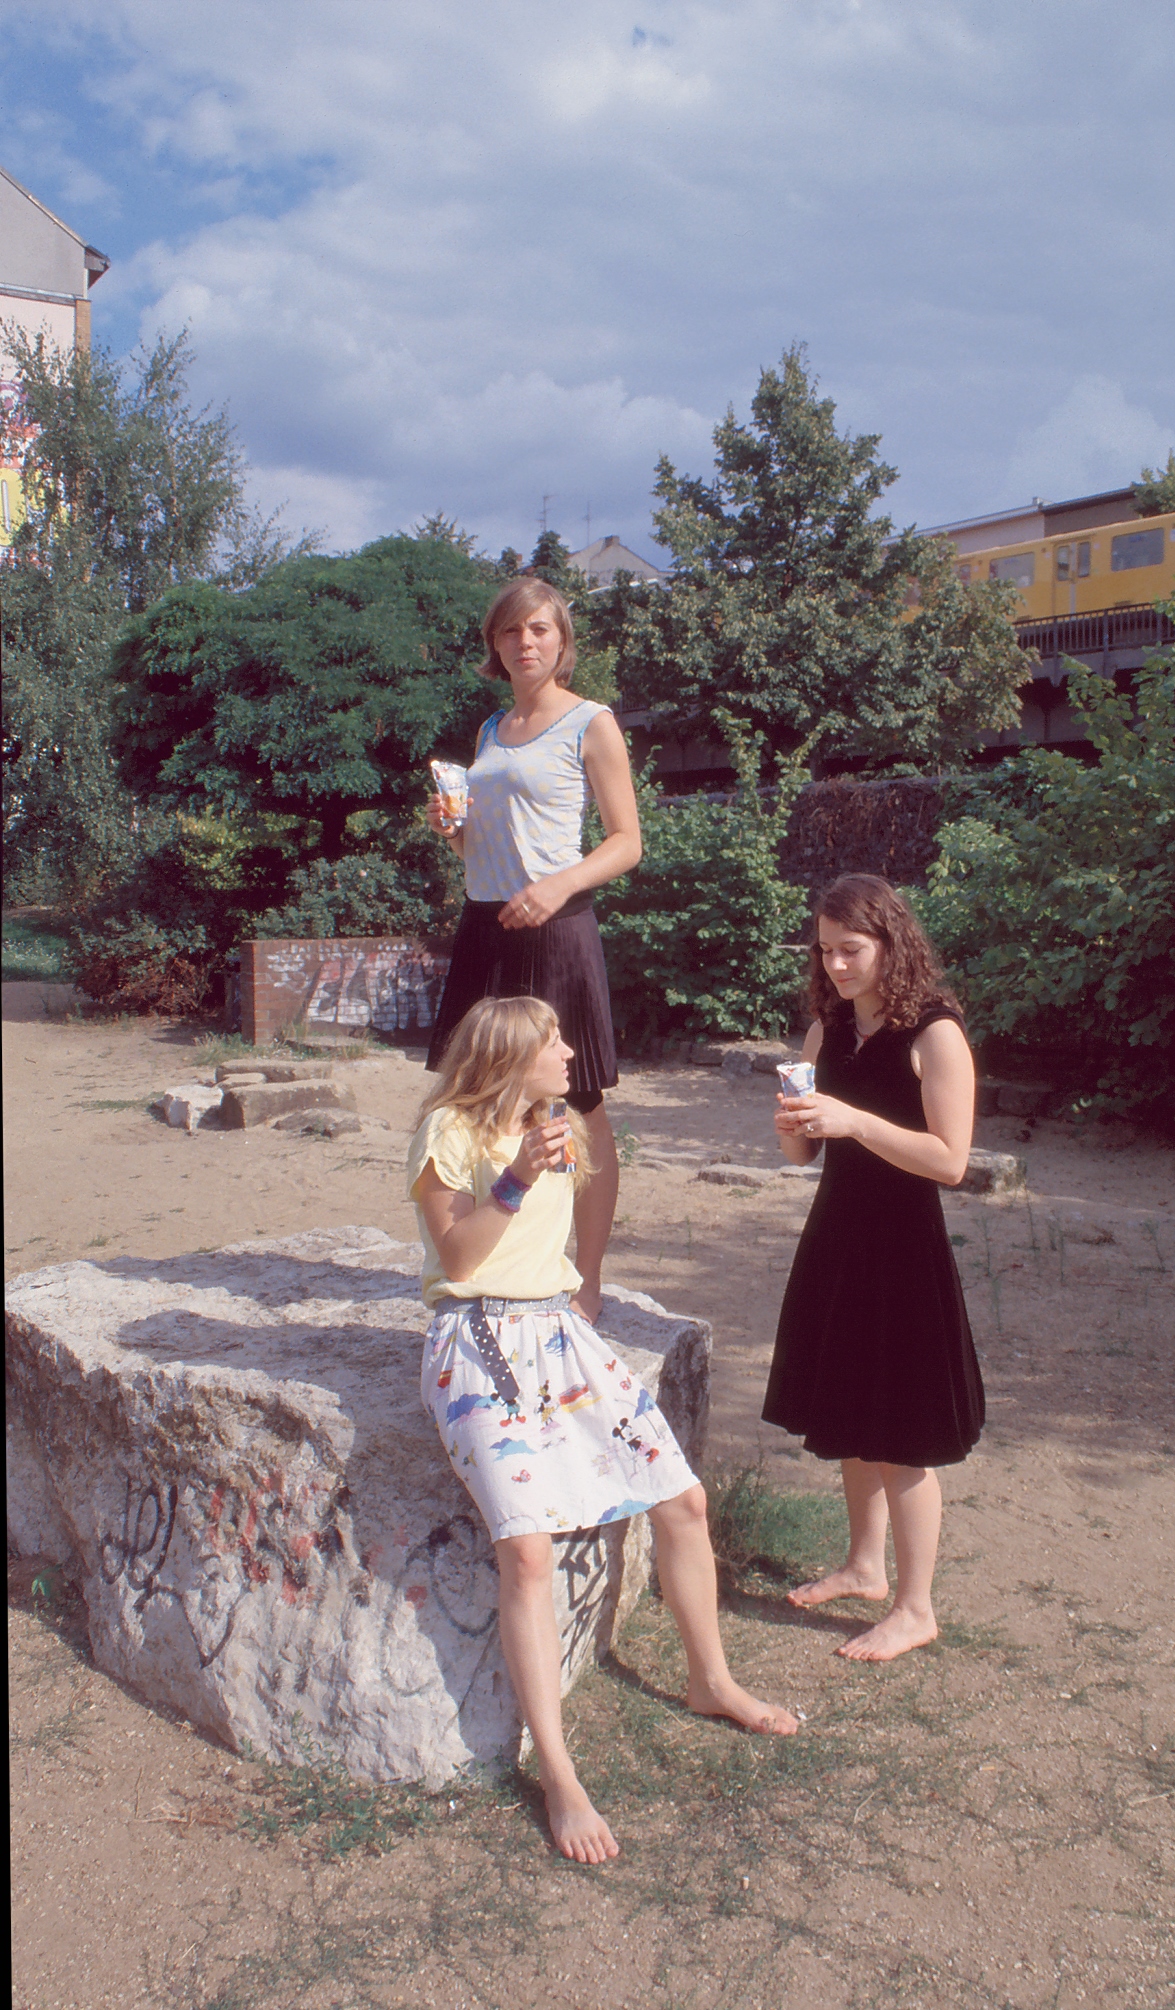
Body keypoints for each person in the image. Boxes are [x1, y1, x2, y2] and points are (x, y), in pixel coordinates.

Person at [411, 994, 798, 1865]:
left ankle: (711, 1682)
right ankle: (558, 1773)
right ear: (509, 1058)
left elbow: (568, 1236)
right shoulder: (448, 1135)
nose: (571, 1053)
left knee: (685, 1501)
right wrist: (514, 1178)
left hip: (558, 1331)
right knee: (528, 1551)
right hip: (475, 1341)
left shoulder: (564, 1126)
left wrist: (583, 1287)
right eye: (554, 1043)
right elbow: (463, 1259)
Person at [764, 874, 985, 1662]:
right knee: (854, 1414)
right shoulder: (828, 1031)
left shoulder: (935, 1032)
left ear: (891, 942)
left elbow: (951, 1161)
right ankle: (863, 1565)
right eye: (824, 952)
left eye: (850, 950)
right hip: (838, 1236)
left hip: (902, 1248)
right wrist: (795, 1122)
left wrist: (854, 1120)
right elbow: (801, 1153)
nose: (835, 967)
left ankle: (916, 1606)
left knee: (903, 1435)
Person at [425, 576, 639, 1322]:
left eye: (540, 630)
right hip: (487, 924)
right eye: (512, 632)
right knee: (476, 1092)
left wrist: (558, 886)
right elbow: (487, 847)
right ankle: (494, 1256)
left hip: (556, 928)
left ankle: (587, 1277)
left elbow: (627, 842)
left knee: (577, 1103)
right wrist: (455, 831)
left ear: (561, 640)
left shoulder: (591, 722)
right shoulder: (490, 731)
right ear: (494, 644)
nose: (526, 643)